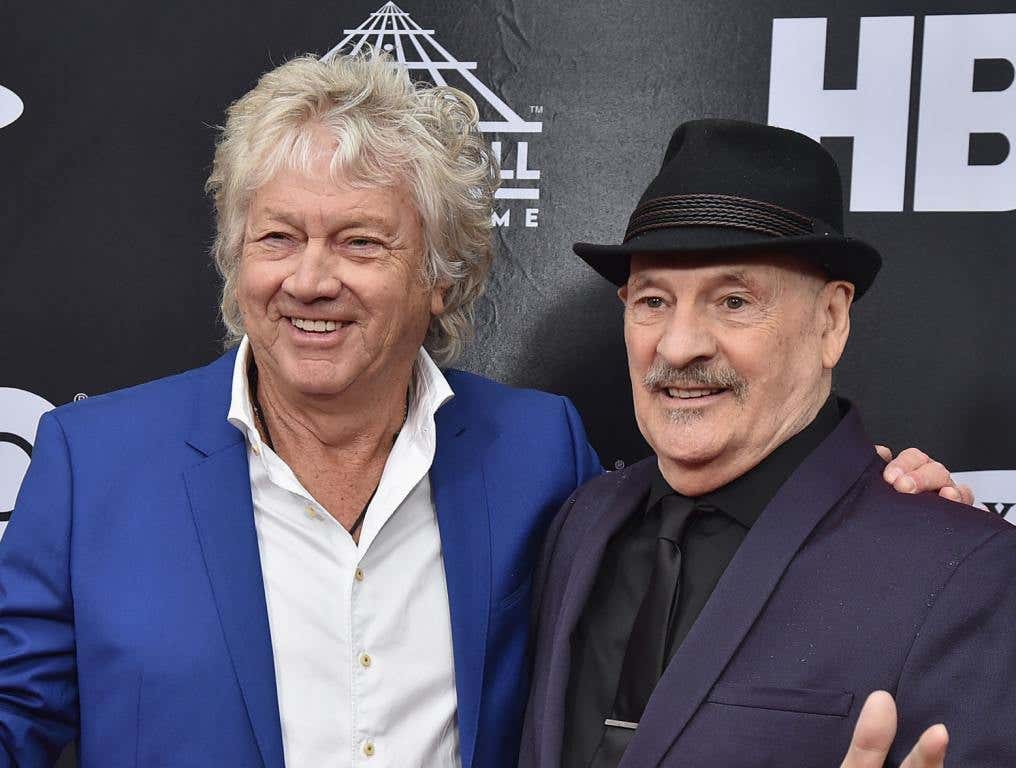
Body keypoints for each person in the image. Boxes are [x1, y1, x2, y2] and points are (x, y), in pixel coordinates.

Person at [0, 57, 966, 768]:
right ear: (235, 258)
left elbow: (719, 569)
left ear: (439, 275)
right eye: (277, 237)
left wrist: (865, 504)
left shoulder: (538, 450)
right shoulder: (91, 463)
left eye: (362, 242)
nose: (310, 278)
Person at [519, 119, 1016, 768]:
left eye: (732, 300)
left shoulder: (964, 571)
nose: (677, 345)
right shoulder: (579, 526)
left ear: (831, 322)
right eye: (653, 301)